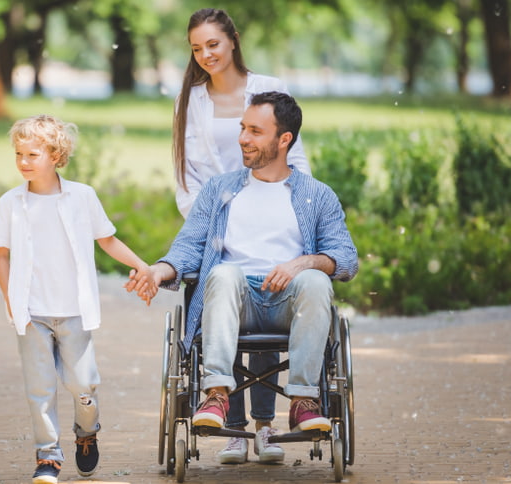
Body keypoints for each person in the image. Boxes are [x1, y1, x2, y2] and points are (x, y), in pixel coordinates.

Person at [129, 92, 358, 460]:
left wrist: (301, 263)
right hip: (234, 299)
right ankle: (217, 395)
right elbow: (188, 247)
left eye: (255, 130)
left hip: (289, 300)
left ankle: (303, 400)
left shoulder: (318, 196)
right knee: (222, 273)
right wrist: (159, 271)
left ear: (284, 139)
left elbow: (346, 260)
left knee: (317, 279)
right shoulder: (220, 191)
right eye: (242, 128)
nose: (243, 139)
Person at [171, 7, 312, 465]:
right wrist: (211, 219)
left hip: (273, 212)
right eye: (197, 48)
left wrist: (297, 210)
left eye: (213, 43)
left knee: (269, 287)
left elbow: (297, 156)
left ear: (232, 39)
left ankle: (266, 427)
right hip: (213, 223)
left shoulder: (268, 90)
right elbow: (186, 172)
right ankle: (232, 426)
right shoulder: (192, 99)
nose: (206, 54)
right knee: (224, 291)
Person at [0, 114, 156, 484]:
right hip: (31, 314)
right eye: (18, 154)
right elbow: (0, 255)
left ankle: (87, 431)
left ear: (55, 154)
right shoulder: (10, 203)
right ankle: (48, 457)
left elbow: (107, 239)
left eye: (32, 154)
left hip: (75, 311)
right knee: (40, 390)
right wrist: (11, 302)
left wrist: (143, 266)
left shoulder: (82, 197)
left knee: (83, 385)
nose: (23, 162)